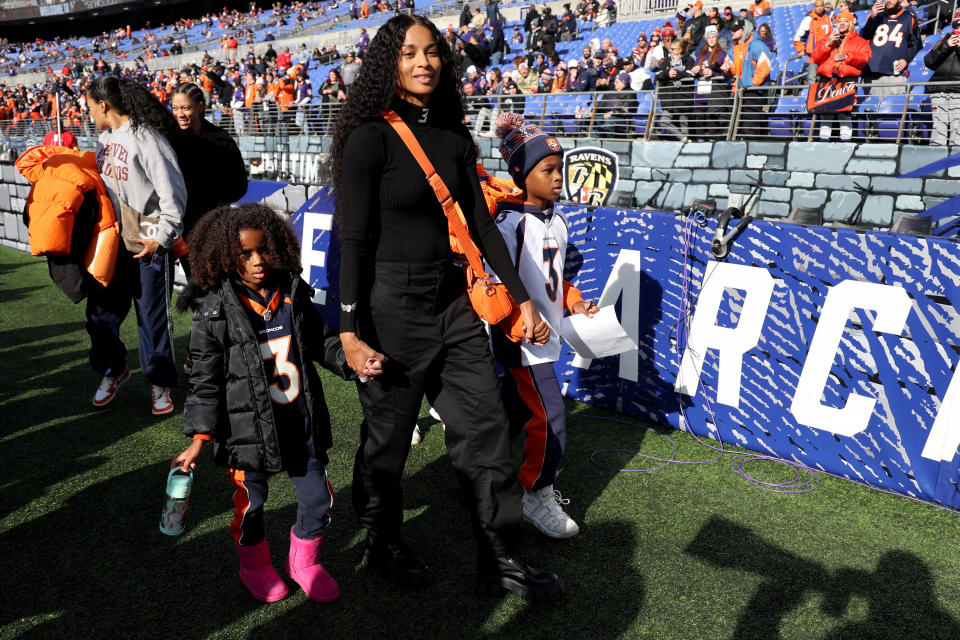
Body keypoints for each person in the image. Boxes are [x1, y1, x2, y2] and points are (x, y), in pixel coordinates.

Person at [329, 13, 562, 601]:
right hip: (388, 304)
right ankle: (382, 540)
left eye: (432, 52)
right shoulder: (368, 137)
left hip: (453, 302)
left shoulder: (455, 137)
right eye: (408, 53)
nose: (423, 62)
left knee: (485, 431)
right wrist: (350, 328)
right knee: (388, 437)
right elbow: (351, 238)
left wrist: (521, 300)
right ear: (389, 62)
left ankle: (502, 558)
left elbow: (481, 224)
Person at [171, 204, 370, 603]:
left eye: (263, 250)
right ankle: (255, 566)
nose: (258, 261)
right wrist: (198, 436)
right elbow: (204, 381)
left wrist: (353, 360)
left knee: (319, 499)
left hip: (301, 421)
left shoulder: (292, 291)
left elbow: (321, 342)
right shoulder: (214, 310)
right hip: (246, 433)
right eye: (245, 254)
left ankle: (304, 562)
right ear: (226, 256)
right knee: (250, 508)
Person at [85, 75, 186, 416]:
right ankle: (114, 371)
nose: (88, 113)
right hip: (113, 244)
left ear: (104, 105)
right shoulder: (104, 139)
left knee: (152, 319)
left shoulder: (147, 138)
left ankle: (160, 384)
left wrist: (161, 238)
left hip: (148, 244)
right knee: (99, 315)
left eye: (89, 107)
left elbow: (174, 195)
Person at [169, 82, 247, 256]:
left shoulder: (221, 138)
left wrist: (217, 205)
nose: (179, 114)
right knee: (195, 279)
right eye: (175, 108)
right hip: (183, 227)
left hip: (216, 223)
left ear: (201, 107)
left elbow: (240, 183)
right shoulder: (169, 140)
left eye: (185, 108)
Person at [811, 11, 870, 141]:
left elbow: (865, 58)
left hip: (847, 78)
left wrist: (847, 57)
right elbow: (815, 57)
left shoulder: (859, 41)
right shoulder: (827, 38)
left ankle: (845, 141)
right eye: (840, 21)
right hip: (827, 77)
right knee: (826, 112)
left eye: (845, 21)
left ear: (851, 23)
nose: (842, 23)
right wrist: (828, 43)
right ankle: (823, 140)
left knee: (845, 112)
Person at [722, 17, 773, 139]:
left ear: (743, 30)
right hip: (738, 91)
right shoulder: (734, 48)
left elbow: (765, 66)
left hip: (752, 91)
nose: (732, 32)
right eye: (731, 30)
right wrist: (727, 68)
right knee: (738, 127)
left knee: (750, 127)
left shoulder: (756, 45)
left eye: (735, 30)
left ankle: (753, 154)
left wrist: (752, 84)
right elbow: (731, 64)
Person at [859, 0, 922, 96]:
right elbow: (864, 37)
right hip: (872, 73)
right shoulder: (876, 16)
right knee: (872, 109)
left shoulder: (909, 18)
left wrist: (906, 59)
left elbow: (916, 43)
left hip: (894, 73)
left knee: (893, 108)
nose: (888, 1)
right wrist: (872, 17)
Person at [923, 13, 960, 145]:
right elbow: (929, 61)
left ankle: (956, 159)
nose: (959, 30)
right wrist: (947, 46)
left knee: (958, 126)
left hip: (958, 90)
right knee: (939, 126)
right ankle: (936, 153)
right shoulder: (944, 40)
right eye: (957, 26)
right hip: (938, 88)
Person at [692, 25, 732, 138]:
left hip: (713, 93)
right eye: (709, 37)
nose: (711, 39)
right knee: (699, 121)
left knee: (711, 122)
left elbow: (721, 69)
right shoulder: (701, 54)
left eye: (713, 37)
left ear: (717, 38)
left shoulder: (721, 53)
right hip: (701, 92)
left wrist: (712, 73)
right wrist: (696, 70)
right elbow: (696, 68)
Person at [656, 38, 696, 141]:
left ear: (680, 49)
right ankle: (682, 137)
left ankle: (685, 143)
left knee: (684, 122)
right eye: (671, 49)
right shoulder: (667, 61)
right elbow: (658, 76)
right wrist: (668, 73)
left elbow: (690, 74)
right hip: (669, 98)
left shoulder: (689, 60)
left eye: (674, 49)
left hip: (683, 97)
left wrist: (675, 74)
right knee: (664, 122)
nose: (671, 51)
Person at [794, 0, 833, 83]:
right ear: (814, 7)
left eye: (821, 6)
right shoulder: (808, 19)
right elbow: (799, 37)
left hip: (827, 54)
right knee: (812, 78)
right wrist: (801, 50)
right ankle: (810, 95)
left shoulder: (829, 18)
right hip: (813, 55)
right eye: (817, 6)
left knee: (826, 78)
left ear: (824, 6)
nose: (819, 8)